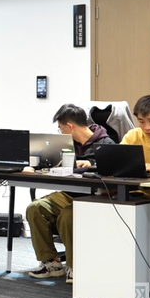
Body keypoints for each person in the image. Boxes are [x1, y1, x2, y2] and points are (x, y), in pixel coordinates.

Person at [26, 104, 114, 283]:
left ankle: (76, 266)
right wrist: (33, 166)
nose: (60, 132)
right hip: (69, 193)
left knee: (68, 215)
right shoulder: (65, 145)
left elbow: (113, 173)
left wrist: (92, 165)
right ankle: (51, 263)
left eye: (61, 128)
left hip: (95, 196)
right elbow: (50, 162)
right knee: (35, 208)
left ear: (70, 126)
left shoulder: (106, 144)